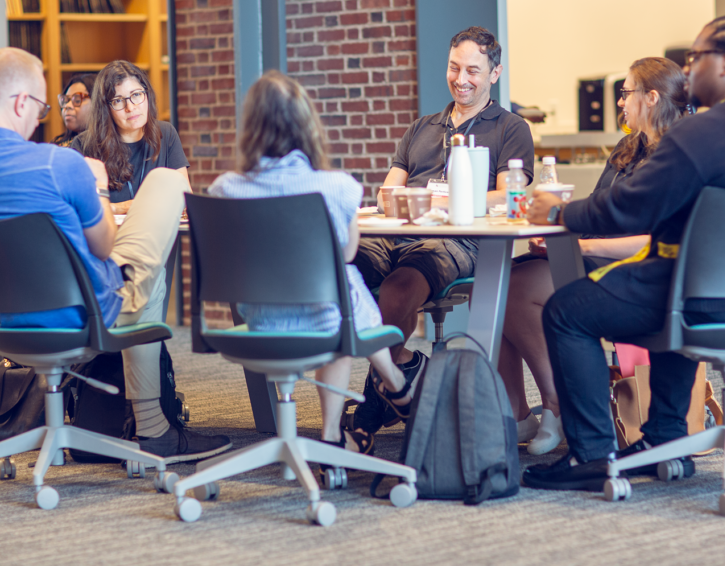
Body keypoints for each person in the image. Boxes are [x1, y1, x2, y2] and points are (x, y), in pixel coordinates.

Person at [522, 15, 725, 491]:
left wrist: (559, 213)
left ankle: (593, 454)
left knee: (566, 309)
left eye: (695, 59)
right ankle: (663, 441)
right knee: (669, 281)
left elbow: (629, 207)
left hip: (705, 301)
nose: (688, 72)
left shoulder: (703, 131)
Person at [0, 47, 230, 464]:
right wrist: (99, 188)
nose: (43, 117)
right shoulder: (60, 163)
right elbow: (103, 247)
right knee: (163, 199)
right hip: (84, 316)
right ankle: (155, 428)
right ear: (20, 102)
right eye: (44, 106)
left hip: (1, 324)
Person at [208, 71, 416, 454]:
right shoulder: (337, 187)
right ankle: (373, 402)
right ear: (307, 125)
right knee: (341, 285)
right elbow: (349, 252)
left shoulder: (224, 188)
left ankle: (347, 426)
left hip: (260, 324)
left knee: (336, 295)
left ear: (250, 126)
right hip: (324, 323)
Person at [501, 57, 690, 456]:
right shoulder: (628, 146)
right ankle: (520, 414)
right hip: (595, 252)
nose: (621, 103)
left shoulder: (676, 156)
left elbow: (651, 240)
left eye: (626, 93)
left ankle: (558, 407)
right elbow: (603, 209)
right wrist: (563, 230)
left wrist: (580, 245)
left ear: (651, 97)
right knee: (499, 283)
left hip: (631, 268)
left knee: (516, 290)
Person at [351, 26, 535, 432]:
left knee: (402, 285)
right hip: (397, 231)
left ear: (494, 74)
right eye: (454, 68)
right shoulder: (421, 127)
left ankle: (372, 399)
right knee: (348, 267)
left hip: (458, 240)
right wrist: (404, 204)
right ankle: (400, 372)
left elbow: (507, 197)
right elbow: (388, 192)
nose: (461, 79)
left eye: (473, 70)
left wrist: (443, 203)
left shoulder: (509, 128)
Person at [72, 61, 191, 216]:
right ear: (105, 108)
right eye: (118, 100)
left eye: (136, 95)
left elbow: (185, 199)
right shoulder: (83, 145)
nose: (131, 107)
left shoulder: (166, 133)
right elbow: (77, 208)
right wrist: (121, 207)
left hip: (158, 237)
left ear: (147, 94)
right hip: (109, 238)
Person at [51, 73, 95, 147]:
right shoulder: (57, 146)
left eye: (77, 100)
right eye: (66, 100)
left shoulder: (111, 146)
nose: (67, 105)